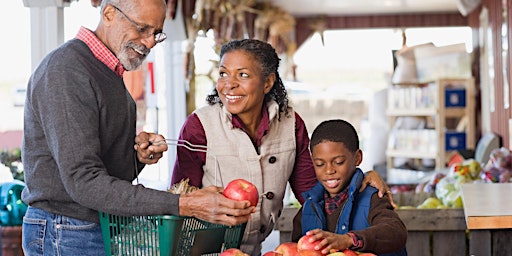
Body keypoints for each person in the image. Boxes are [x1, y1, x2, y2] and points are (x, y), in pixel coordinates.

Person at [21, 0, 254, 255]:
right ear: (109, 13)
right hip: (65, 229)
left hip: (89, 227)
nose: (151, 41)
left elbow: (102, 171)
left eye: (156, 33)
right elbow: (84, 181)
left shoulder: (109, 72)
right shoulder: (67, 70)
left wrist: (137, 157)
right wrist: (183, 204)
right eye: (142, 29)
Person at [171, 39, 392, 255]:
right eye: (223, 73)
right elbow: (181, 198)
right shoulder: (199, 126)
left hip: (254, 250)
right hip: (202, 249)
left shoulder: (291, 124)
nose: (229, 84)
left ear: (268, 82)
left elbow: (313, 193)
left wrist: (360, 179)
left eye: (243, 75)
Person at [291, 119, 407, 255]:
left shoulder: (372, 198)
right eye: (320, 164)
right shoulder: (308, 208)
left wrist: (349, 240)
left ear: (357, 158)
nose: (329, 170)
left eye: (338, 162)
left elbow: (395, 232)